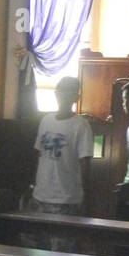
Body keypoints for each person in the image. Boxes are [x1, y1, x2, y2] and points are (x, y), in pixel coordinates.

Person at [31, 76, 93, 217]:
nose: (63, 95)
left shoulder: (81, 125)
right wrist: (33, 184)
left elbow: (85, 162)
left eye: (68, 92)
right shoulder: (46, 120)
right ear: (56, 93)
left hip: (66, 197)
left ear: (75, 97)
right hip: (41, 195)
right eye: (60, 91)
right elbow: (38, 154)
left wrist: (85, 194)